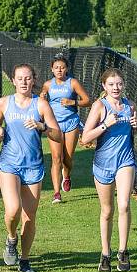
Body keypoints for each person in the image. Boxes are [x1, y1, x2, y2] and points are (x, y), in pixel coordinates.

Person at [0, 64, 62, 272]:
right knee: (12, 209)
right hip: (9, 163)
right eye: (20, 78)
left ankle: (25, 260)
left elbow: (57, 135)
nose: (23, 82)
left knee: (29, 216)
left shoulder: (41, 105)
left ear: (33, 80)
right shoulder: (4, 103)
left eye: (28, 78)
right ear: (13, 80)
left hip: (33, 166)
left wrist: (42, 127)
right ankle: (11, 238)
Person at [81, 68, 137, 272]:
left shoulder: (130, 105)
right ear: (104, 86)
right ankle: (105, 254)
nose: (116, 88)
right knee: (107, 211)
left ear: (123, 85)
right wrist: (105, 125)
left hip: (125, 161)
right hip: (103, 164)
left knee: (124, 205)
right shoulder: (100, 106)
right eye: (111, 84)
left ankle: (123, 251)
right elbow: (85, 138)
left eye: (119, 84)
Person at [39, 55, 91, 203]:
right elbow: (42, 97)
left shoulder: (73, 83)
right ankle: (56, 193)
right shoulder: (48, 84)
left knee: (67, 158)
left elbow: (87, 101)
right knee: (56, 158)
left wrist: (72, 102)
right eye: (56, 68)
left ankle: (66, 176)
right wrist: (42, 95)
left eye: (62, 67)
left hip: (71, 123)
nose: (59, 70)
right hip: (54, 124)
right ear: (52, 69)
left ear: (66, 68)